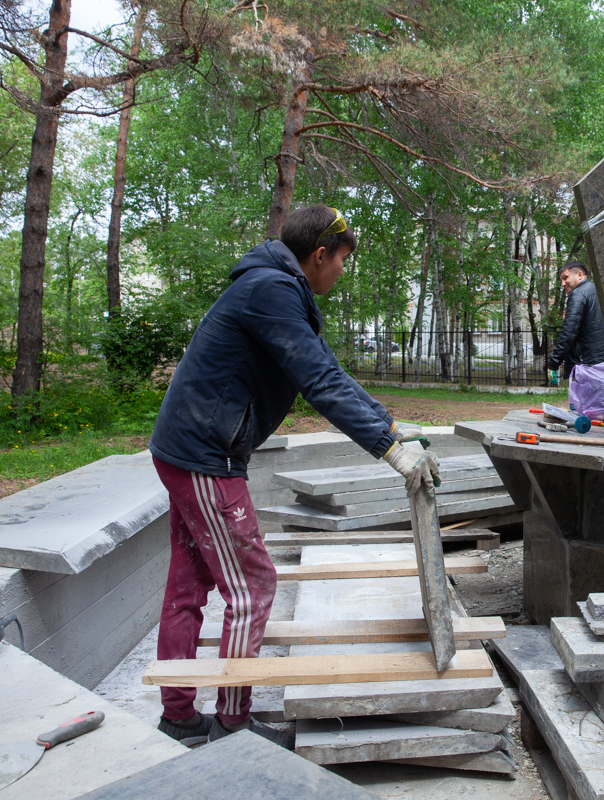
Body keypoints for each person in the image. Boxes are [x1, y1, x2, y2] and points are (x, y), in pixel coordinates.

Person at [147, 205, 439, 749]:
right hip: (204, 454)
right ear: (320, 254)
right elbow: (319, 383)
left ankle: (178, 716)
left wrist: (389, 424)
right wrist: (389, 451)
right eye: (343, 261)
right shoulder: (272, 291)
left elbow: (327, 370)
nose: (342, 272)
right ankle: (231, 724)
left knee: (188, 586)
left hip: (189, 447)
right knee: (253, 586)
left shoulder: (277, 289)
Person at [545, 261, 604, 424]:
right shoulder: (598, 291)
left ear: (580, 275)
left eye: (565, 278)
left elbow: (569, 331)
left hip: (589, 368)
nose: (563, 283)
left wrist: (553, 362)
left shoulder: (579, 294)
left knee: (592, 419)